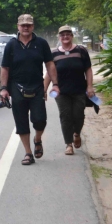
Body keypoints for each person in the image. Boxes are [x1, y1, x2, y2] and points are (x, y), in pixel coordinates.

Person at [0, 14, 59, 165]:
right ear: (18, 26)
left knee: (40, 120)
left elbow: (50, 64)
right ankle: (28, 153)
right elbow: (5, 68)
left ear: (33, 26)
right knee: (21, 122)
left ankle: (37, 139)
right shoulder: (11, 45)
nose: (26, 27)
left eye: (29, 25)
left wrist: (55, 84)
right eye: (23, 25)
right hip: (17, 87)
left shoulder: (41, 43)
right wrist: (4, 88)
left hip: (37, 87)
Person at [43, 25, 95, 155]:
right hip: (61, 91)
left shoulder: (81, 50)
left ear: (72, 36)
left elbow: (88, 69)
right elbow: (49, 72)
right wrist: (43, 89)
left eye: (68, 34)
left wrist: (89, 86)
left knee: (78, 115)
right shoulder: (54, 53)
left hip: (79, 90)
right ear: (59, 37)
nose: (65, 37)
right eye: (62, 35)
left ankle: (77, 133)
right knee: (65, 116)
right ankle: (68, 144)